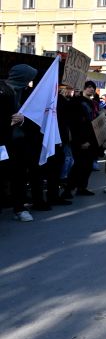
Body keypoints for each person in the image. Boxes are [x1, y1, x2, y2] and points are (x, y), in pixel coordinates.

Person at [2, 64, 40, 222]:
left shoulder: (27, 94)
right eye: (28, 79)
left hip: (19, 144)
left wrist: (23, 120)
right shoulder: (3, 91)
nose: (29, 83)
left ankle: (19, 208)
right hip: (3, 142)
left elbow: (35, 119)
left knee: (19, 176)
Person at [66, 81, 100, 195]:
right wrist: (81, 141)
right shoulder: (77, 102)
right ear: (83, 88)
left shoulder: (93, 103)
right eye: (89, 87)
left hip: (92, 139)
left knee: (88, 165)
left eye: (93, 88)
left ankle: (82, 187)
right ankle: (69, 189)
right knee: (79, 165)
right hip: (81, 139)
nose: (91, 89)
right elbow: (75, 124)